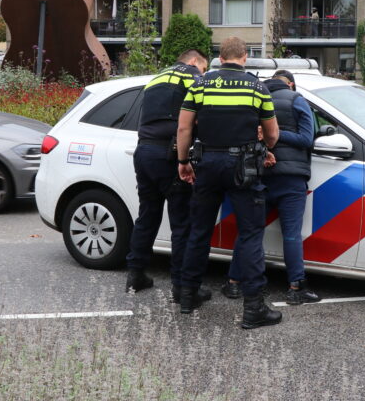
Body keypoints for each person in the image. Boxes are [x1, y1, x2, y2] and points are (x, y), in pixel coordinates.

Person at [176, 37, 282, 329]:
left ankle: (188, 295)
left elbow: (184, 127)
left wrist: (183, 162)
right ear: (244, 57)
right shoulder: (257, 87)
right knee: (249, 234)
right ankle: (253, 308)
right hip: (243, 167)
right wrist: (267, 146)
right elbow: (271, 134)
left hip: (206, 164)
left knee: (199, 230)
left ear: (219, 58)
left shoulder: (200, 85)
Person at [221, 70, 321, 305]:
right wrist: (281, 134)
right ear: (291, 84)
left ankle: (234, 283)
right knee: (291, 234)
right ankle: (296, 287)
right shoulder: (298, 100)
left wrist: (269, 134)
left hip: (259, 175)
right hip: (291, 178)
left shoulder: (256, 98)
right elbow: (307, 140)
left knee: (249, 231)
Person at [125, 50, 209, 305]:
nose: (202, 73)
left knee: (147, 215)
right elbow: (199, 118)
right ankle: (181, 287)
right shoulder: (194, 78)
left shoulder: (155, 79)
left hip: (143, 152)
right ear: (195, 61)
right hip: (170, 154)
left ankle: (135, 275)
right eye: (203, 68)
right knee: (181, 222)